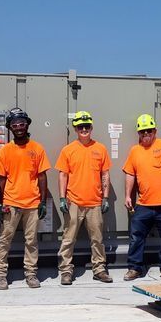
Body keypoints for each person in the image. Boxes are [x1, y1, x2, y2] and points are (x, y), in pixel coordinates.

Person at [0, 108, 51, 290]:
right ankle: (0, 274)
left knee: (31, 241)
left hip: (33, 204)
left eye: (22, 124)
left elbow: (42, 176)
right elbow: (1, 180)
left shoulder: (37, 148)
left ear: (27, 125)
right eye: (15, 125)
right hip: (11, 203)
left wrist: (42, 202)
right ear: (10, 127)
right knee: (4, 239)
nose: (18, 127)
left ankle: (31, 273)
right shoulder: (5, 151)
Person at [55, 111, 113, 285]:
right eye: (80, 127)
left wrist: (105, 198)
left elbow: (105, 174)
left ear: (91, 127)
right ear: (75, 129)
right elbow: (63, 175)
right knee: (68, 239)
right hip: (73, 202)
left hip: (95, 203)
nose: (84, 129)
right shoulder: (68, 150)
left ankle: (99, 269)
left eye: (87, 126)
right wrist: (62, 198)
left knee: (97, 239)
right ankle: (66, 271)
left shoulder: (100, 149)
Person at [122, 114, 161, 281]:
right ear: (138, 133)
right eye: (142, 131)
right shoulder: (135, 151)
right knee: (136, 237)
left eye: (149, 130)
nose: (146, 134)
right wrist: (128, 195)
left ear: (155, 131)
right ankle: (134, 268)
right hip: (143, 204)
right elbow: (130, 174)